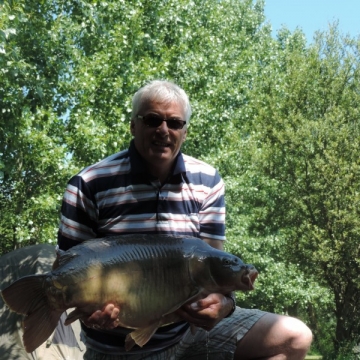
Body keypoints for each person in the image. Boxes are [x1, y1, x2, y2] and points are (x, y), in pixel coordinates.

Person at [57, 79, 313, 359]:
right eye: (152, 120)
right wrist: (90, 314)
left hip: (191, 336)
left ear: (185, 131)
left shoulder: (207, 181)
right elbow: (68, 270)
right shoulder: (89, 183)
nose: (163, 130)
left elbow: (216, 272)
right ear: (133, 125)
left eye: (175, 123)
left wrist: (223, 305)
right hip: (116, 349)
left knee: (294, 336)